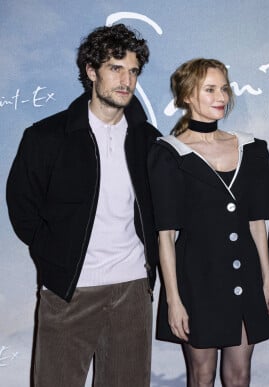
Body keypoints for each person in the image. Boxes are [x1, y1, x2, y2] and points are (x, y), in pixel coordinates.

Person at [6, 24, 160, 386]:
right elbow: (22, 207)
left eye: (133, 70)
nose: (126, 80)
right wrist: (54, 259)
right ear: (92, 71)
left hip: (132, 291)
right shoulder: (46, 137)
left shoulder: (149, 140)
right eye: (115, 68)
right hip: (68, 291)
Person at [147, 58, 269, 387]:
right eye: (209, 89)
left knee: (239, 375)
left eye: (223, 88)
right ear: (187, 95)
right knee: (201, 376)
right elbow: (165, 235)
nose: (221, 96)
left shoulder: (252, 148)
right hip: (197, 282)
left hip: (245, 279)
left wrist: (267, 280)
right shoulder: (168, 153)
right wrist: (173, 300)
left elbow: (256, 223)